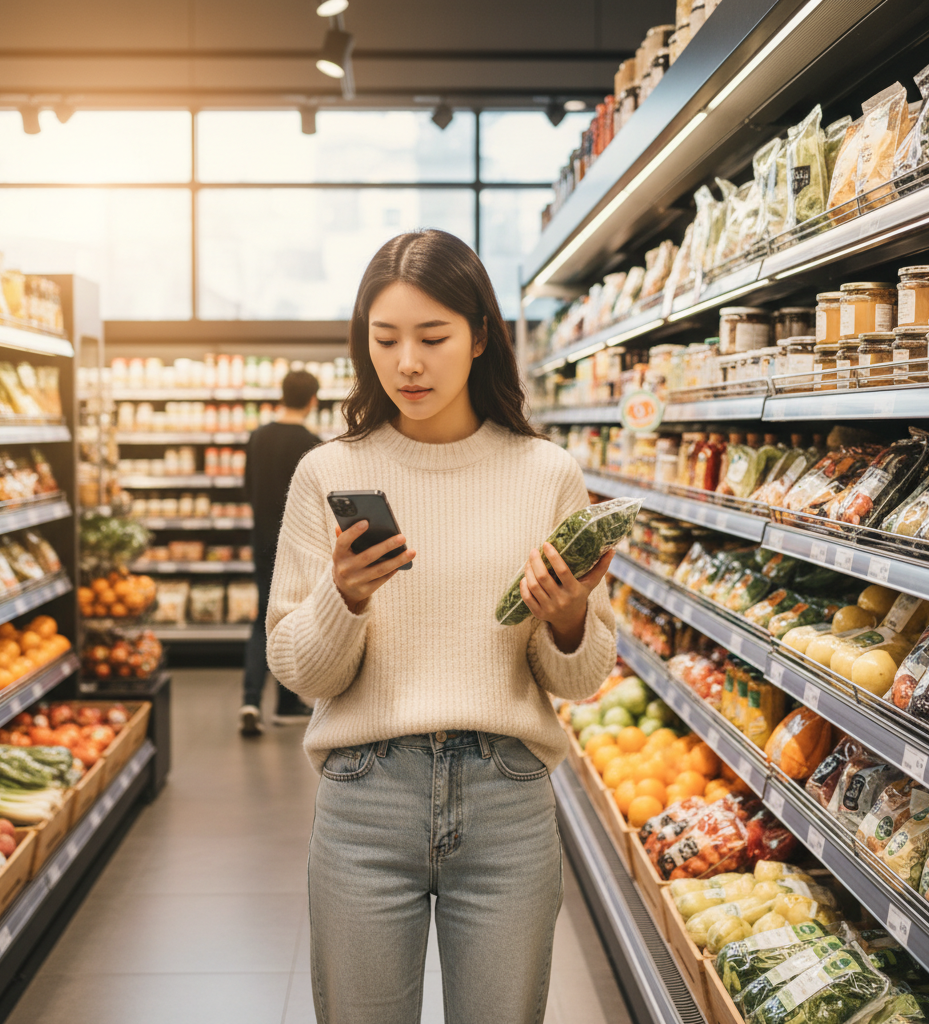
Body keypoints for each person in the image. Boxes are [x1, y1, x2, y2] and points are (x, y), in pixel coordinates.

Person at [266, 230, 617, 1024]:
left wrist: (568, 622)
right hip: (365, 799)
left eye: (433, 337)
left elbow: (582, 678)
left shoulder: (546, 473)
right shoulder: (329, 473)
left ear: (481, 335)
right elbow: (297, 668)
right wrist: (343, 599)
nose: (407, 364)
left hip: (508, 799)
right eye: (384, 339)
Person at [239, 369, 320, 735]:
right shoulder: (311, 442)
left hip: (261, 539)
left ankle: (250, 699)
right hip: (296, 545)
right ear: (312, 401)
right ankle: (287, 701)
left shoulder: (258, 437)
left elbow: (248, 487)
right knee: (293, 615)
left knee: (262, 617)